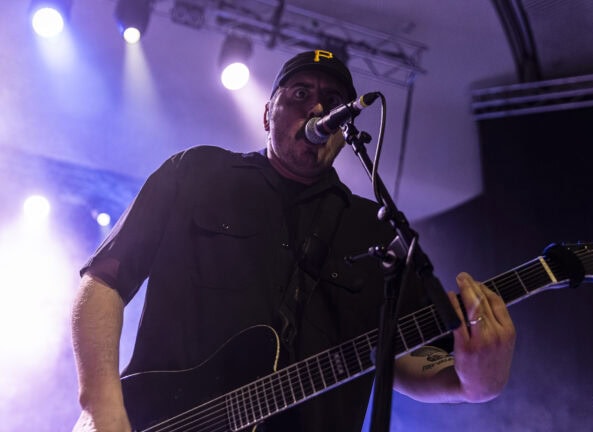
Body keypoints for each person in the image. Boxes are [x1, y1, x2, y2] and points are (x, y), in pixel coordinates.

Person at [71, 49, 516, 432]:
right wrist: (101, 406)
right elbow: (103, 282)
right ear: (267, 113)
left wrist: (475, 383)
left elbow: (400, 358)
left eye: (334, 102)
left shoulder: (375, 229)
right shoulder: (197, 173)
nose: (318, 107)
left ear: (344, 129)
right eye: (300, 93)